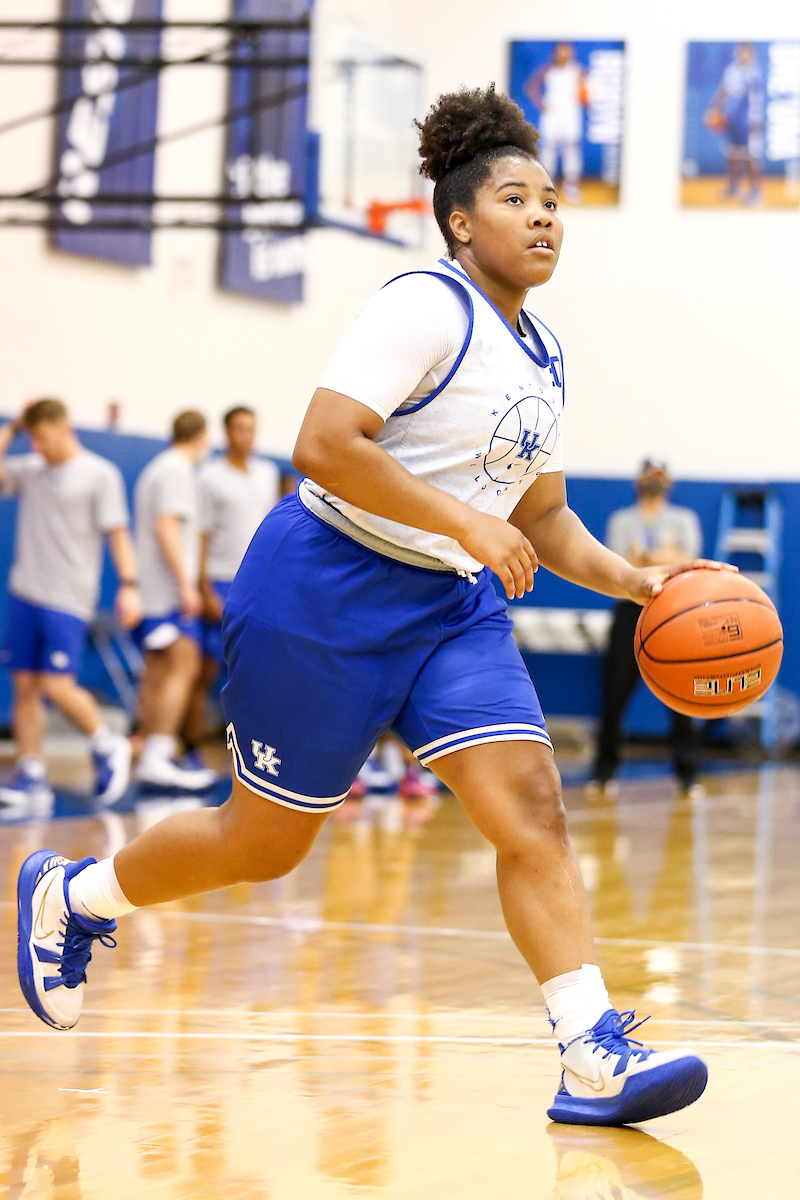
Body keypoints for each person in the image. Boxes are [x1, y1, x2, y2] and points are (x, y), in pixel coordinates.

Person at [17, 86, 729, 1126]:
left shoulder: (543, 354)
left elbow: (539, 516)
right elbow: (322, 445)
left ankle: (589, 1054)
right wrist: (471, 525)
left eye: (551, 201)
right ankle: (75, 896)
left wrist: (627, 578)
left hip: (448, 606)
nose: (542, 216)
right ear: (457, 219)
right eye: (515, 197)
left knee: (531, 806)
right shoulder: (421, 305)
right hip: (325, 587)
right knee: (264, 845)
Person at [0, 399, 140, 808]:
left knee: (56, 685)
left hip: (68, 597)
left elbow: (117, 533)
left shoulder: (99, 474)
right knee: (24, 684)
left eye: (44, 438)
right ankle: (31, 774)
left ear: (66, 429)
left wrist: (129, 584)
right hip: (26, 592)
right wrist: (13, 430)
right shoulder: (30, 470)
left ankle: (106, 740)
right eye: (34, 439)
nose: (39, 447)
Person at [591, 460, 704, 794]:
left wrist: (646, 556)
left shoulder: (683, 518)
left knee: (681, 696)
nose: (654, 481)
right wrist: (664, 555)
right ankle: (604, 772)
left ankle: (687, 775)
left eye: (660, 476)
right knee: (614, 696)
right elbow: (619, 565)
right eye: (649, 475)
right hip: (630, 612)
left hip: (674, 613)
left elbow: (688, 559)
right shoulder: (621, 519)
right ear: (638, 480)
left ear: (668, 481)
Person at [182, 406, 280, 755]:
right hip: (220, 582)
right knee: (205, 670)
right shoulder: (210, 477)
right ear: (226, 433)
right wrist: (203, 586)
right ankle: (189, 749)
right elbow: (200, 534)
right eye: (240, 429)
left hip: (258, 584)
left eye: (252, 429)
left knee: (257, 672)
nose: (247, 436)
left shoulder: (267, 473)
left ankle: (253, 752)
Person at [133, 411, 217, 791]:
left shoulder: (156, 468)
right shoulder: (177, 471)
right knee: (184, 665)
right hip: (169, 593)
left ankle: (153, 752)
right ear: (201, 436)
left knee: (158, 671)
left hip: (153, 593)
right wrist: (187, 584)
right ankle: (160, 754)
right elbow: (166, 525)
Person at [525, 43, 588, 204]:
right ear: (555, 53)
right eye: (561, 52)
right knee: (548, 150)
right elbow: (531, 87)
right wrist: (541, 104)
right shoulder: (548, 70)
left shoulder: (578, 70)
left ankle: (572, 187)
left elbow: (587, 93)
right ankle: (546, 187)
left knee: (571, 150)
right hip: (552, 115)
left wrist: (584, 99)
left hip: (570, 114)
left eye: (567, 52)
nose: (564, 55)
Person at [703, 43, 763, 205]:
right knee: (732, 155)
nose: (744, 55)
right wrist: (713, 108)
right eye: (741, 52)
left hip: (749, 122)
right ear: (737, 53)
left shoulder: (753, 73)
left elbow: (756, 100)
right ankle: (732, 187)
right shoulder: (731, 71)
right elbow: (723, 91)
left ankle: (755, 192)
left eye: (747, 53)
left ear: (751, 54)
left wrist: (756, 122)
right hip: (731, 120)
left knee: (751, 156)